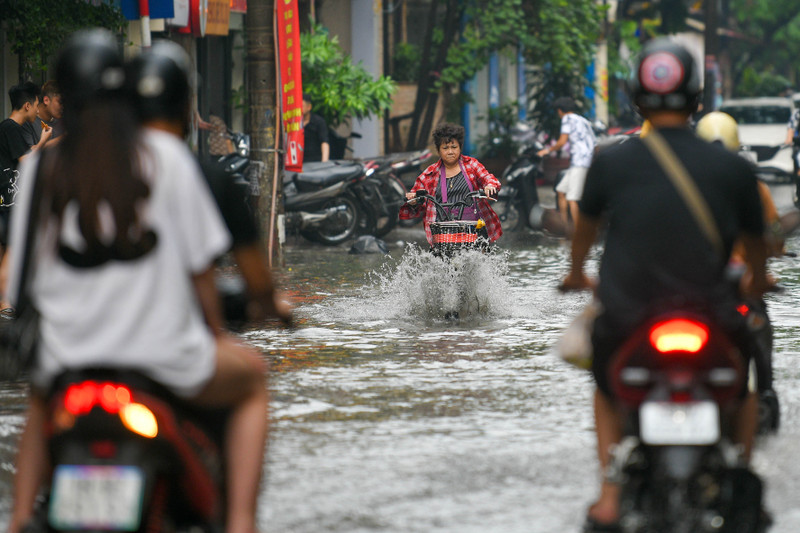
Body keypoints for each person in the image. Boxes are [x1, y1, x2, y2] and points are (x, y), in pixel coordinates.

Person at [7, 30, 267, 533]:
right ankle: (240, 523)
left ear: (60, 101)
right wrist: (212, 335)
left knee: (40, 400)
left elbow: (21, 291)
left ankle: (18, 520)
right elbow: (201, 277)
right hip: (164, 365)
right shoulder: (166, 159)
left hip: (69, 367)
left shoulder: (42, 170)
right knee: (252, 379)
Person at [559, 38, 770, 531]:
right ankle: (741, 469)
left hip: (630, 313)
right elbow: (756, 245)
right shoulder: (734, 168)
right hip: (714, 311)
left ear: (636, 100)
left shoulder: (611, 163)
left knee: (606, 381)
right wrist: (759, 281)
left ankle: (610, 493)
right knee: (749, 377)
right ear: (699, 99)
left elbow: (583, 237)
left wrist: (574, 276)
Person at [125, 39, 292, 325]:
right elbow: (259, 285)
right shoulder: (203, 177)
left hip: (75, 347)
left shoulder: (75, 171)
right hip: (169, 340)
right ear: (186, 106)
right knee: (252, 369)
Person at [696, 110, 782, 431]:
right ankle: (765, 394)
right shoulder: (751, 185)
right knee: (758, 329)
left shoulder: (677, 184)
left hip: (685, 287)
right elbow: (770, 238)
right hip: (739, 290)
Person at [399, 122, 502, 247]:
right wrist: (413, 199)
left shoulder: (472, 165)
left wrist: (489, 186)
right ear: (438, 150)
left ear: (460, 148)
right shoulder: (430, 173)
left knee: (481, 253)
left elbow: (488, 178)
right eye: (445, 148)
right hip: (443, 230)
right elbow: (415, 195)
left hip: (472, 227)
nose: (450, 152)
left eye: (454, 147)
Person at [536, 96, 596, 236]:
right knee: (561, 190)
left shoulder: (567, 119)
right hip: (583, 161)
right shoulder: (583, 120)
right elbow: (595, 143)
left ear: (560, 110)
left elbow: (562, 142)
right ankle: (565, 226)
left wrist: (547, 150)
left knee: (572, 197)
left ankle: (577, 230)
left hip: (580, 162)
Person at [21, 80, 63, 146]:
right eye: (60, 102)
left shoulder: (62, 122)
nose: (63, 107)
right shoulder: (28, 122)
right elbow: (29, 154)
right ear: (46, 100)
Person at [301, 93, 330, 162]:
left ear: (309, 107)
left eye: (302, 106)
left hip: (315, 162)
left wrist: (324, 162)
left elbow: (324, 142)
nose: (299, 109)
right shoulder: (293, 122)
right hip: (299, 162)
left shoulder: (319, 122)